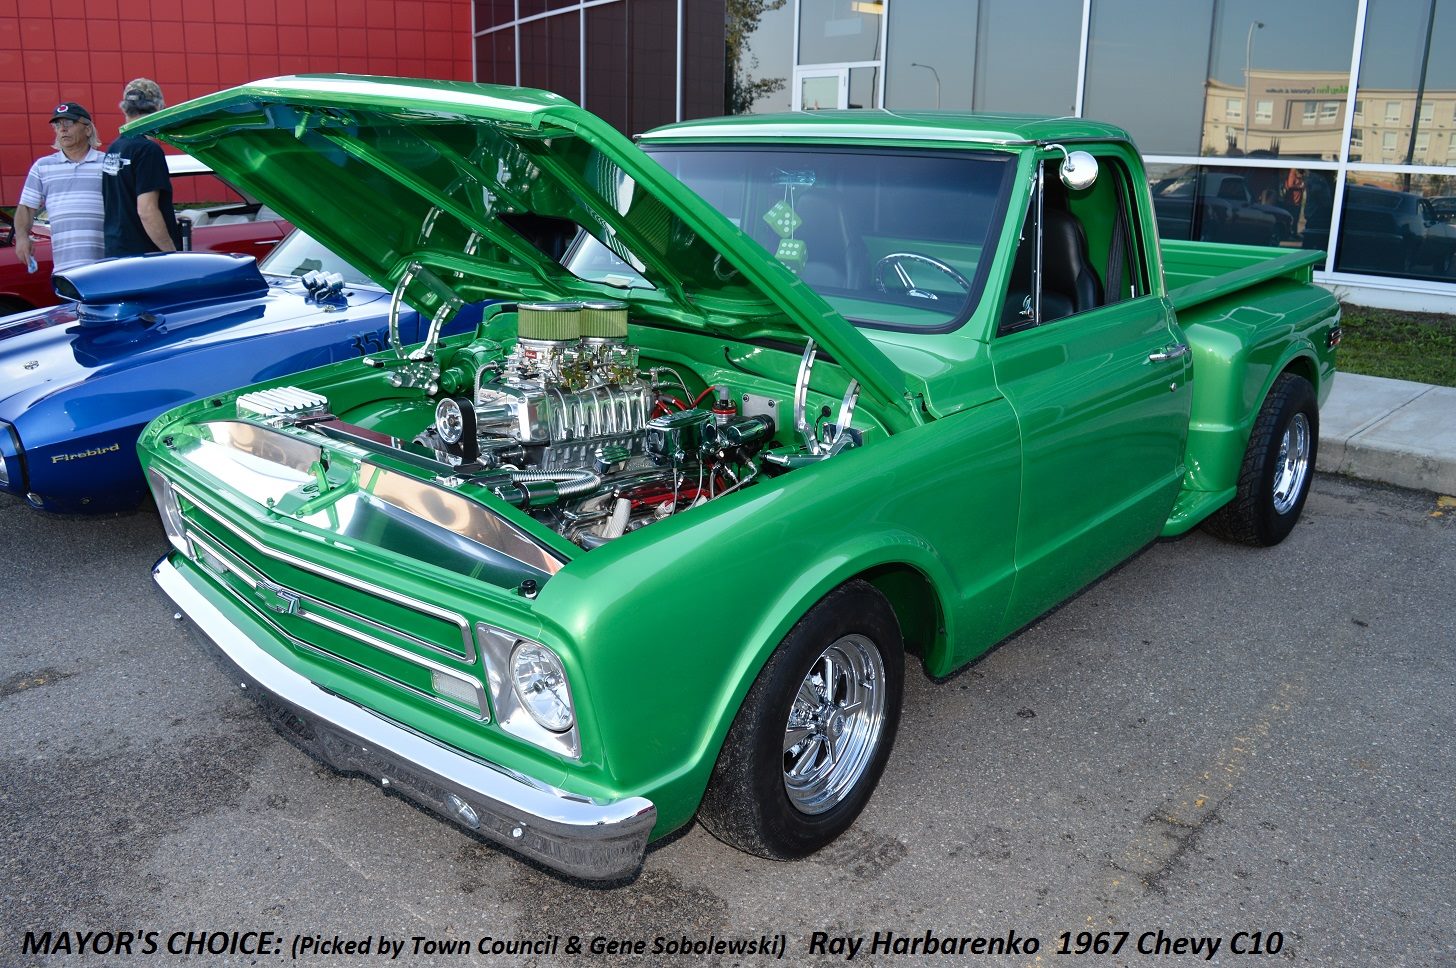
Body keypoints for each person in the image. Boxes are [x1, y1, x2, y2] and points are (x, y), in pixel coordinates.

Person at [14, 102, 106, 273]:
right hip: (64, 269)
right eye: (57, 125)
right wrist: (21, 237)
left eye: (69, 123)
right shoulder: (42, 166)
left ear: (88, 129)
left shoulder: (108, 163)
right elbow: (26, 207)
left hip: (106, 264)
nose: (62, 129)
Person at [101, 78, 180, 257]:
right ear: (159, 108)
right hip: (145, 257)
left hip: (115, 252)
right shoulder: (147, 150)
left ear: (124, 108)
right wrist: (171, 252)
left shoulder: (114, 148)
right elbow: (146, 211)